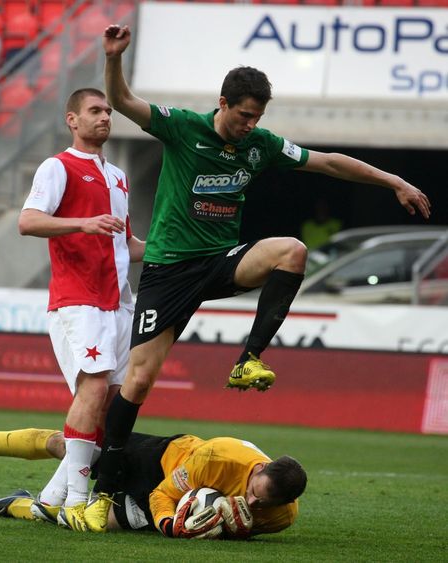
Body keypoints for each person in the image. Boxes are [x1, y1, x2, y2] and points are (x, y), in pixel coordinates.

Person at [82, 24, 432, 532]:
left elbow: (328, 162)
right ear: (222, 104)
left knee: (291, 250)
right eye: (245, 115)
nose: (251, 125)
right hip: (170, 271)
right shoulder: (182, 127)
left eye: (258, 118)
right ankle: (106, 480)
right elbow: (123, 100)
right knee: (138, 380)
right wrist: (113, 58)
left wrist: (393, 180)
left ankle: (249, 358)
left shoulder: (261, 145)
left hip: (222, 260)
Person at [16, 87, 145, 530]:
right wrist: (82, 223)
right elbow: (28, 221)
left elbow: (126, 244)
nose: (105, 117)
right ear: (72, 119)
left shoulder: (119, 176)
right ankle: (76, 499)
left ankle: (51, 498)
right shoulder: (58, 166)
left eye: (108, 111)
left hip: (119, 303)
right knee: (91, 391)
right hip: (78, 300)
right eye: (95, 111)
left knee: (112, 408)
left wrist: (176, 251)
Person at [0, 428, 306, 539]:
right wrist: (171, 525)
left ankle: (10, 504)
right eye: (253, 495)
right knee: (70, 445)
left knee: (73, 521)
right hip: (158, 459)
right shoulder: (218, 457)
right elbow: (164, 495)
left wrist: (219, 527)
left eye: (263, 505)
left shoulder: (282, 516)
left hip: (161, 496)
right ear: (258, 471)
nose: (254, 505)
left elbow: (230, 525)